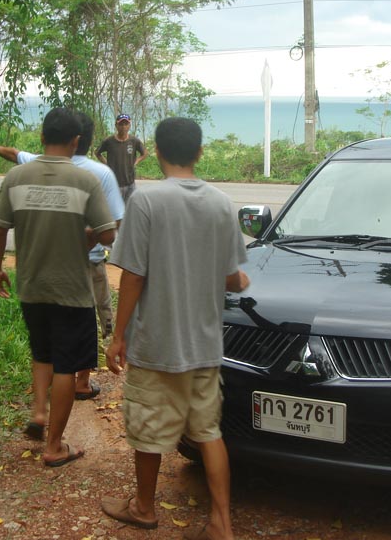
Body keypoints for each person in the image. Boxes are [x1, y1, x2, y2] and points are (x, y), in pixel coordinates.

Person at [101, 117, 249, 540]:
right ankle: (221, 522)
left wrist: (118, 335)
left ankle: (145, 508)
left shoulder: (147, 202)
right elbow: (231, 276)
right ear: (199, 153)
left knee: (148, 430)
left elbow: (133, 275)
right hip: (204, 344)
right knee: (208, 431)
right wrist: (240, 281)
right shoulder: (222, 203)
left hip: (157, 343)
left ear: (158, 154)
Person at [0, 107, 116, 467]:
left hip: (31, 287)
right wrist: (86, 232)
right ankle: (55, 445)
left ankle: (39, 414)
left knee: (42, 353)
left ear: (42, 137)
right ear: (76, 142)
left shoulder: (16, 177)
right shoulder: (85, 181)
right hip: (72, 291)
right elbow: (107, 233)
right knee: (66, 365)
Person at [94, 113, 148, 202]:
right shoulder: (109, 141)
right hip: (114, 183)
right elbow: (97, 153)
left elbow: (145, 153)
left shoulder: (134, 141)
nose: (123, 127)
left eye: (126, 124)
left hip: (130, 183)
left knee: (129, 209)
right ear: (116, 125)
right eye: (121, 124)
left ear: (129, 125)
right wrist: (106, 163)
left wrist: (136, 162)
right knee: (115, 212)